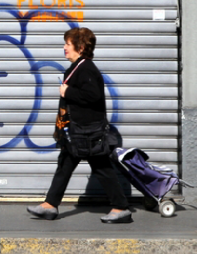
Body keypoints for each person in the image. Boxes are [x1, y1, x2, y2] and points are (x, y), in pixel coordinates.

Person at [26, 27, 132, 224]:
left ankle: (121, 208)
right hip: (77, 131)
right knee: (65, 166)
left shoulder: (86, 69)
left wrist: (68, 93)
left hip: (88, 132)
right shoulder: (77, 68)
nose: (64, 48)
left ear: (80, 47)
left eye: (68, 44)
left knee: (101, 168)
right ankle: (50, 205)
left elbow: (93, 96)